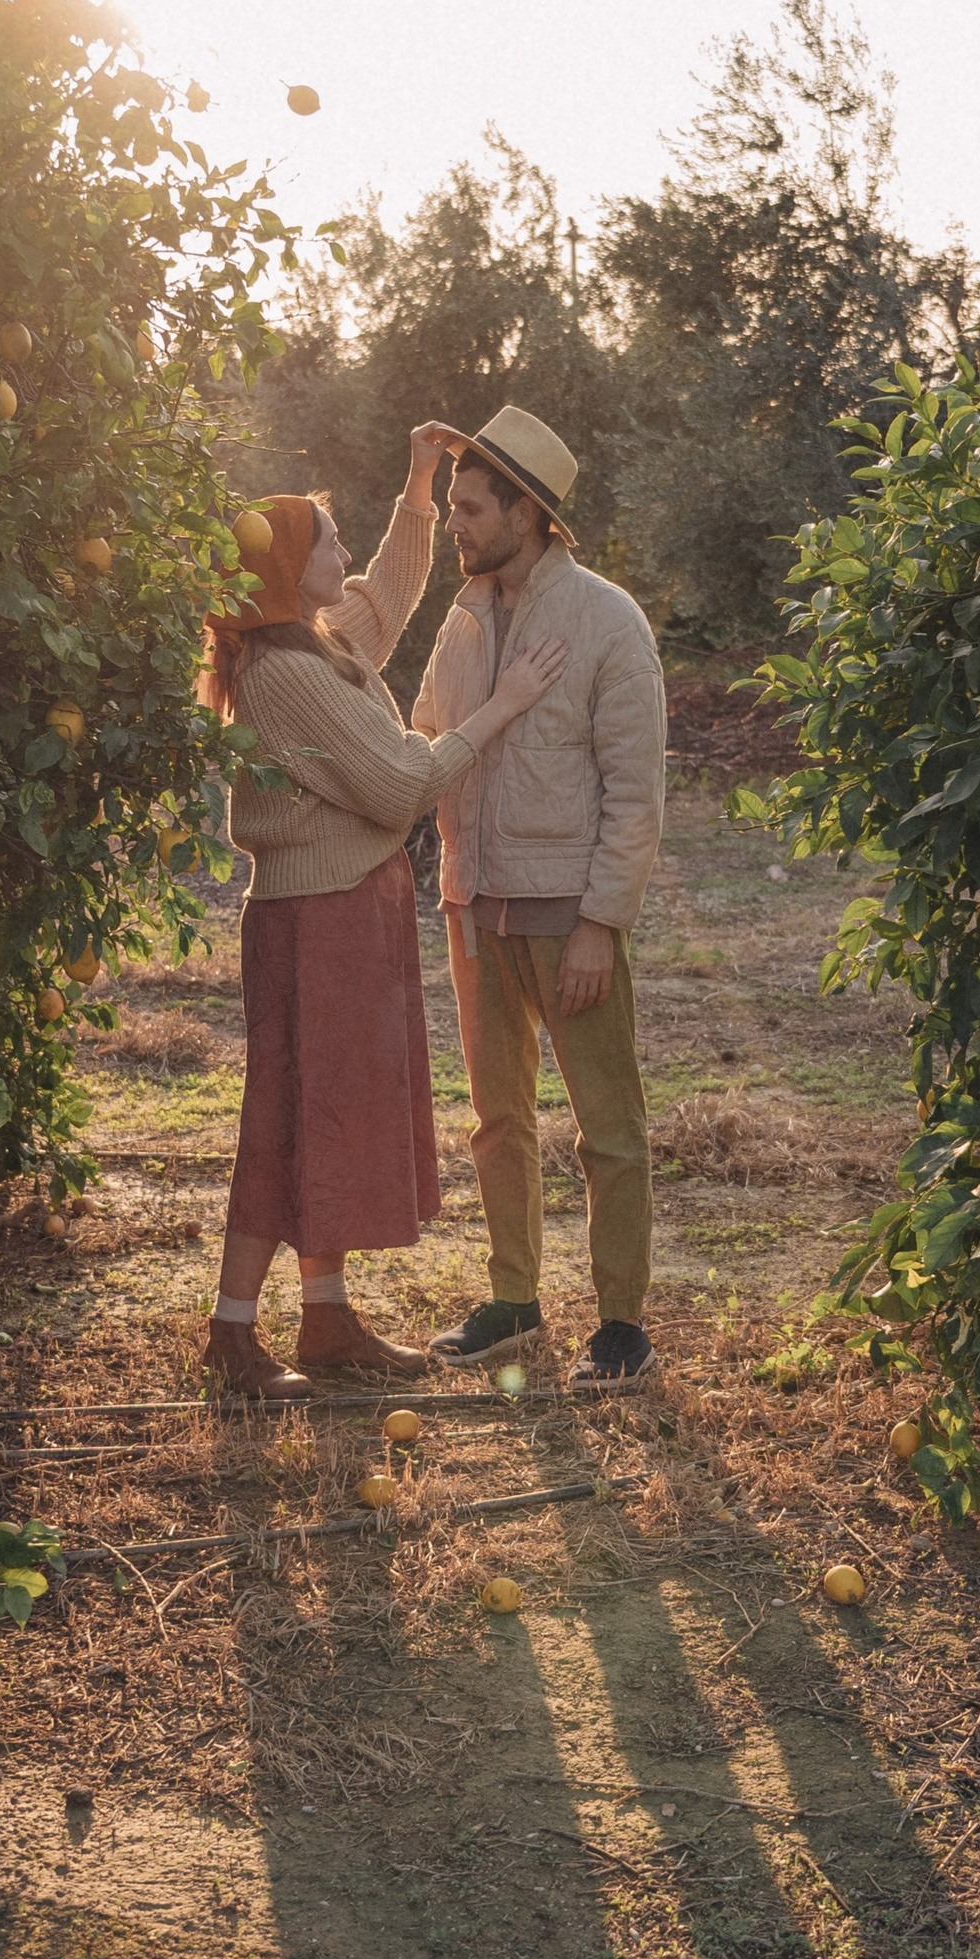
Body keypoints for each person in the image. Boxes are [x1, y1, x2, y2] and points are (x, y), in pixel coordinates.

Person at [199, 428, 569, 1401]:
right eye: (328, 541)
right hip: (315, 919)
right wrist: (499, 706)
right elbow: (400, 784)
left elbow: (390, 596)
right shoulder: (285, 674)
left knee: (325, 1115)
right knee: (288, 1116)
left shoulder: (316, 643)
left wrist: (418, 483)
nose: (345, 553)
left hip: (346, 910)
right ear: (290, 570)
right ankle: (232, 1333)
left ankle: (324, 1318)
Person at [411, 404, 667, 1388]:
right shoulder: (462, 618)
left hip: (569, 917)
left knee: (609, 1129)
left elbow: (635, 795)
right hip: (474, 907)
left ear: (525, 513)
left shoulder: (608, 621)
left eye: (471, 507)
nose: (456, 524)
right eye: (452, 507)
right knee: (497, 1121)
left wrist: (601, 920)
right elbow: (429, 737)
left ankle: (620, 1326)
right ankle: (513, 1301)